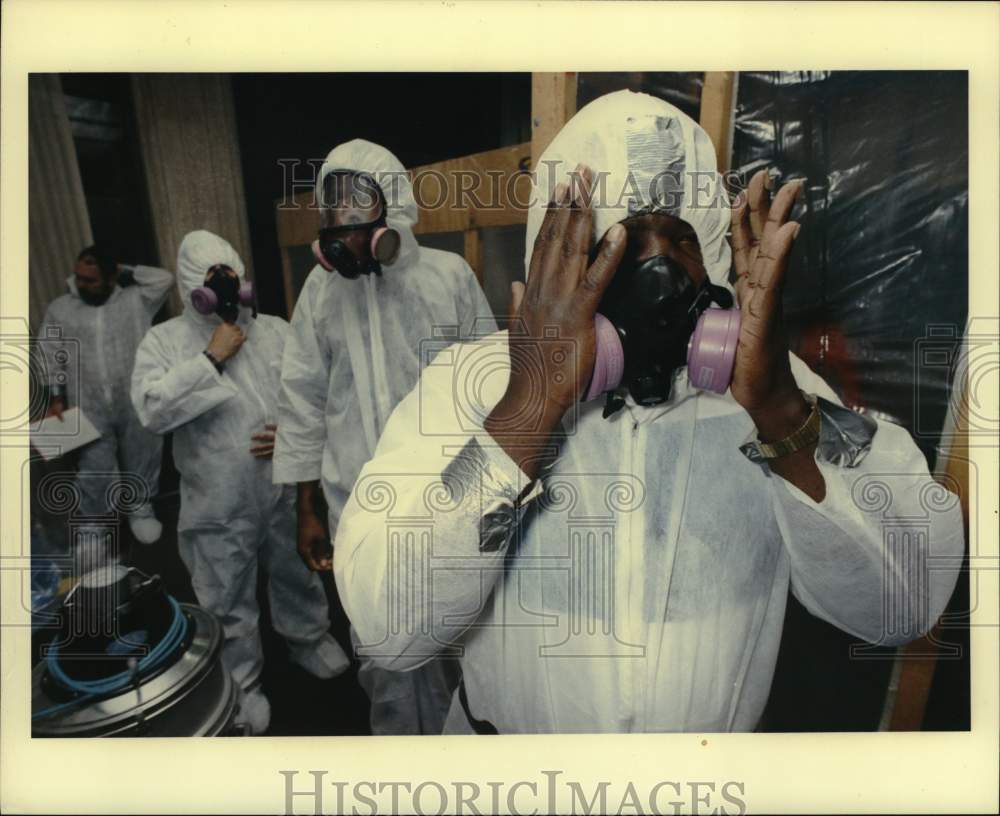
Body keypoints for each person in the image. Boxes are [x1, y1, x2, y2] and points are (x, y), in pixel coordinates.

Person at [331, 91, 965, 734]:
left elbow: (903, 605)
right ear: (556, 251)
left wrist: (780, 413)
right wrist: (527, 411)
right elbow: (390, 630)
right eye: (617, 238)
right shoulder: (473, 386)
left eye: (678, 238)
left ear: (713, 252)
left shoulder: (770, 389)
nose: (655, 273)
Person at [272, 139, 497, 735]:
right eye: (332, 211)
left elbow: (489, 385)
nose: (341, 225)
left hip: (449, 498)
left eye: (355, 208)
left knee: (465, 634)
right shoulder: (320, 295)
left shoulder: (447, 278)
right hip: (357, 505)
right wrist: (306, 507)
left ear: (390, 208)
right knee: (381, 644)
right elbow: (302, 400)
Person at [131, 230, 349, 735]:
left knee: (296, 569)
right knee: (225, 593)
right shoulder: (164, 342)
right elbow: (152, 411)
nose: (228, 287)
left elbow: (309, 392)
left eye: (232, 273)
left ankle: (308, 638)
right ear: (192, 287)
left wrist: (293, 434)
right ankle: (243, 684)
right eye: (214, 279)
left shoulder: (273, 329)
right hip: (219, 499)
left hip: (281, 488)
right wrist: (211, 358)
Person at [38, 245, 171, 551]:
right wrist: (55, 397)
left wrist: (121, 267)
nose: (81, 285)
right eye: (79, 278)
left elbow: (164, 279)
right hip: (87, 403)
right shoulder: (62, 308)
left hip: (134, 399)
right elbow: (49, 355)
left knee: (143, 455)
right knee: (94, 466)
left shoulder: (136, 301)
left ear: (111, 278)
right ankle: (93, 524)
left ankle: (140, 508)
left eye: (91, 279)